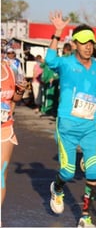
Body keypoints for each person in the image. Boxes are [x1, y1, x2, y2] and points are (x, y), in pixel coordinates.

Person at [46, 11, 96, 227]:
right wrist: (57, 33)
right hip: (67, 125)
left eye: (91, 42)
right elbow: (50, 60)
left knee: (94, 171)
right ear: (75, 44)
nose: (88, 46)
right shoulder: (66, 64)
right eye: (84, 42)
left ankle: (85, 217)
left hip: (91, 127)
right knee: (68, 172)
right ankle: (57, 187)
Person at [1, 57, 27, 210]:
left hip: (5, 127)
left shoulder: (12, 67)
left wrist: (21, 90)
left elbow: (15, 97)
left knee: (1, 173)